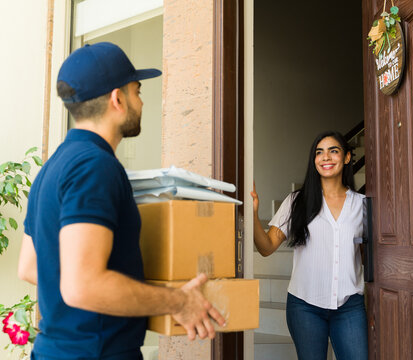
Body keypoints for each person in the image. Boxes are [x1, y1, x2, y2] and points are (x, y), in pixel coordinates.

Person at [17, 42, 225, 360]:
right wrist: (178, 302)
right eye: (137, 91)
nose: (141, 102)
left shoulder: (52, 167)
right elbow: (82, 286)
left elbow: (31, 267)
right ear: (118, 99)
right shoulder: (95, 166)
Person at [251, 130, 368, 360]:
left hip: (350, 307)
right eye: (319, 152)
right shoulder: (296, 202)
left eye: (333, 151)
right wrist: (254, 213)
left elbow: (368, 258)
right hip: (305, 307)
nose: (325, 157)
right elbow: (266, 247)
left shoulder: (362, 204)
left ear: (346, 157)